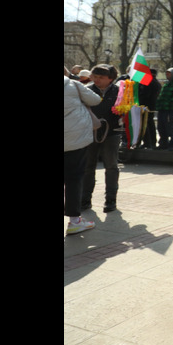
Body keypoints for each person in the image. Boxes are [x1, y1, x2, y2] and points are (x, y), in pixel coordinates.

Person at [82, 64, 124, 213]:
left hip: (111, 133)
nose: (97, 80)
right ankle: (85, 199)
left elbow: (126, 111)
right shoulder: (87, 89)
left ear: (110, 79)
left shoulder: (119, 91)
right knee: (88, 167)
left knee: (111, 166)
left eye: (101, 77)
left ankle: (110, 200)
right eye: (95, 77)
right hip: (90, 133)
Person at [65, 68, 101, 234]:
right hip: (74, 141)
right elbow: (95, 100)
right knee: (74, 178)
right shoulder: (72, 84)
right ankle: (74, 221)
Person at [138, 68, 161, 149]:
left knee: (146, 124)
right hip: (151, 106)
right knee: (150, 124)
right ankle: (152, 142)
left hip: (146, 106)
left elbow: (145, 94)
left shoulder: (149, 82)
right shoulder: (156, 82)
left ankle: (147, 142)